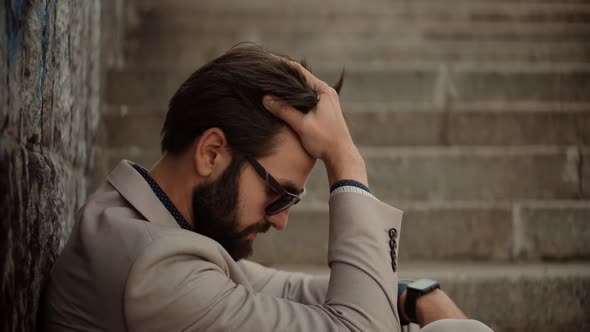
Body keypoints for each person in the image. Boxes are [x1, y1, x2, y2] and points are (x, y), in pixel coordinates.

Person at [41, 45, 493, 331]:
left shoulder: (149, 224)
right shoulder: (154, 274)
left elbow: (291, 292)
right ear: (212, 152)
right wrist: (347, 165)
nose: (281, 219)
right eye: (280, 191)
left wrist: (416, 295)